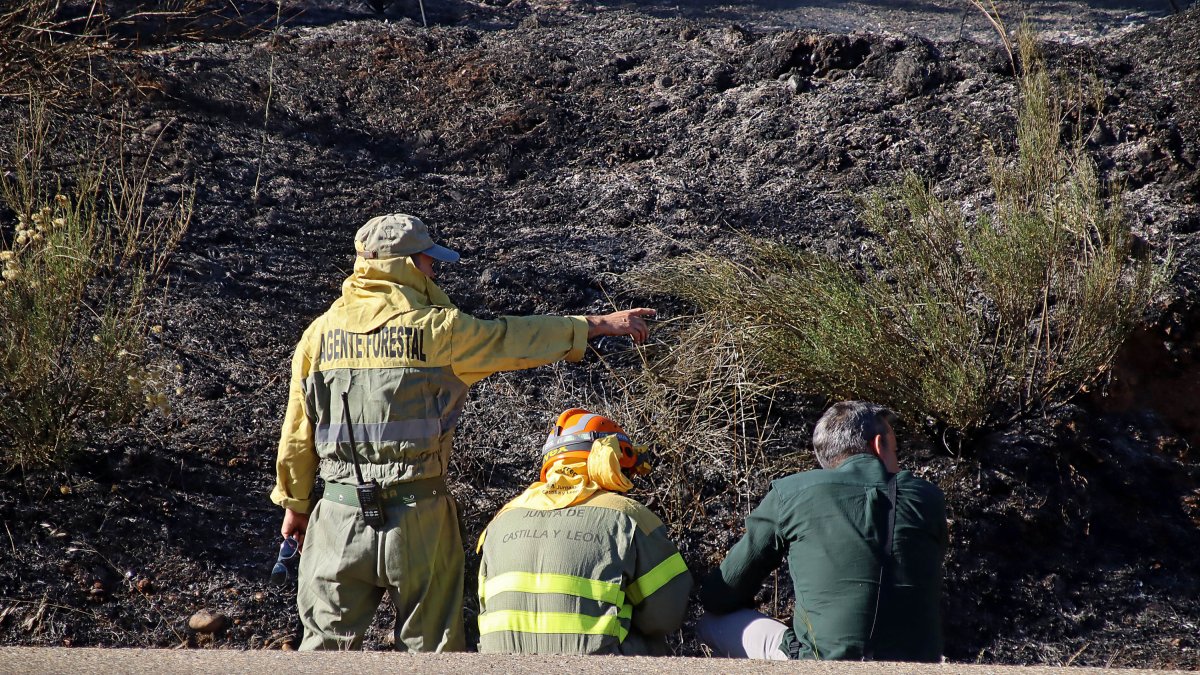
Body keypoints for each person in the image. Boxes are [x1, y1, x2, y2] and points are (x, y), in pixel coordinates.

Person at [269, 213, 656, 652]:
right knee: (432, 652)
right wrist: (598, 324)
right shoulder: (440, 330)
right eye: (429, 261)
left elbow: (297, 435)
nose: (435, 270)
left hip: (337, 518)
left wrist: (295, 505)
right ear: (408, 265)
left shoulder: (316, 338)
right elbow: (518, 338)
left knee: (322, 653)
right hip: (418, 517)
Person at [698, 400, 947, 661]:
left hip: (822, 663)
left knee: (710, 622)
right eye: (896, 451)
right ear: (877, 446)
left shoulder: (792, 493)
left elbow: (718, 595)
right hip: (918, 663)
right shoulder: (928, 498)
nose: (898, 462)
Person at [476, 409, 692, 655]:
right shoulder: (628, 517)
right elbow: (665, 617)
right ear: (608, 458)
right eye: (625, 469)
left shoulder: (500, 521)